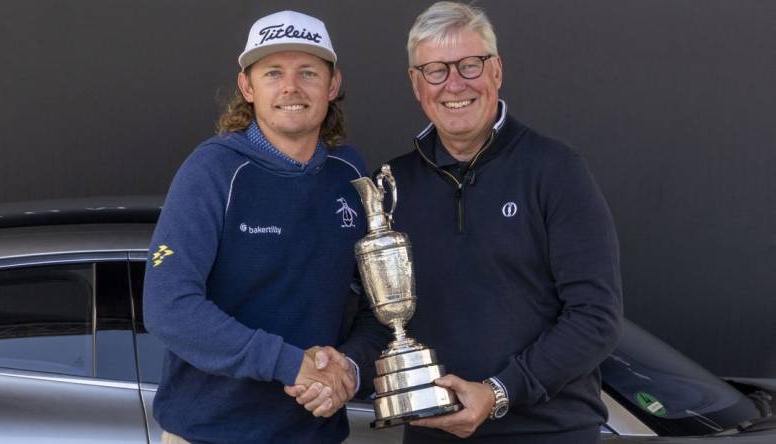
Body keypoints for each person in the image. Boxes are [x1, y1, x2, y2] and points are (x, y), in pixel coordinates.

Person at [143, 10, 387, 443]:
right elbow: (169, 307)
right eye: (273, 72)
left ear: (332, 85)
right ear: (247, 87)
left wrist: (348, 367)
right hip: (211, 435)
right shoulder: (213, 171)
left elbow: (380, 305)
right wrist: (290, 363)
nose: (291, 87)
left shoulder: (351, 173)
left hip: (315, 434)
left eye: (308, 72)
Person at [389, 2, 623, 443]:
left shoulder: (555, 170)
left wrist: (499, 392)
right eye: (435, 70)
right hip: (432, 433)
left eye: (470, 65)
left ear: (496, 70)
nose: (454, 83)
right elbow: (371, 315)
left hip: (549, 432)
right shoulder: (393, 185)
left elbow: (596, 317)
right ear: (416, 84)